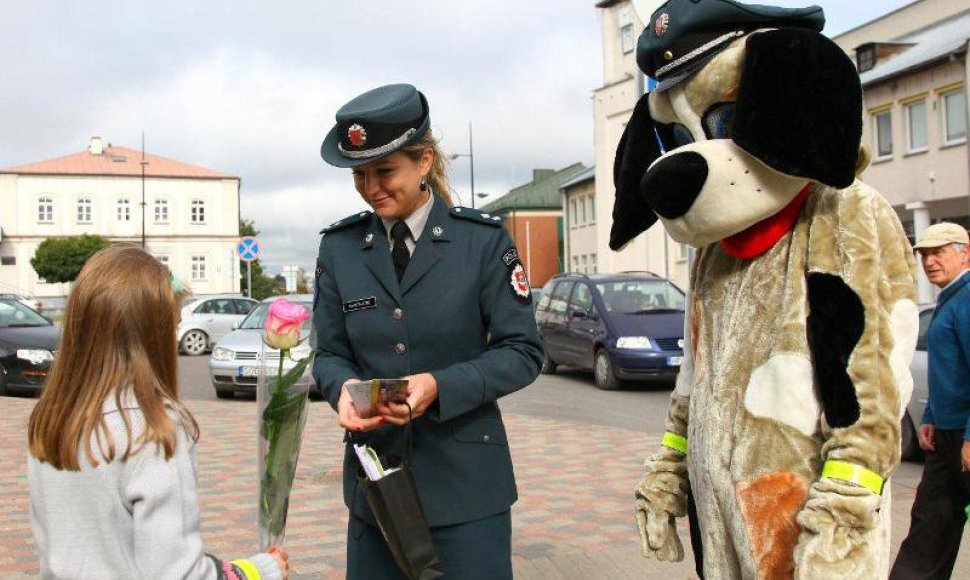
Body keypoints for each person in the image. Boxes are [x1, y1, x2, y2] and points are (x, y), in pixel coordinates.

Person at [313, 83, 543, 579]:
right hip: (375, 487)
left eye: (385, 171)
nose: (371, 187)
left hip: (467, 491)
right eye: (360, 174)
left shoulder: (481, 241)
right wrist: (343, 395)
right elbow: (329, 353)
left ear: (424, 162)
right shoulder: (340, 248)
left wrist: (441, 385)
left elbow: (523, 351)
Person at [27, 246, 289, 580]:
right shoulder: (154, 429)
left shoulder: (52, 417)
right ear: (152, 333)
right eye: (174, 323)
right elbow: (178, 573)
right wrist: (259, 571)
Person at [891, 222, 970, 579]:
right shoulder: (950, 297)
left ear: (964, 252)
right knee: (931, 521)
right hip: (945, 435)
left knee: (935, 520)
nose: (929, 261)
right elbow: (950, 368)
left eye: (938, 252)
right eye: (924, 254)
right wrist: (933, 415)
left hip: (964, 435)